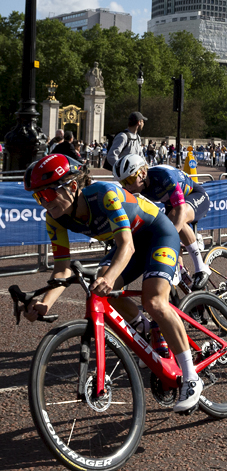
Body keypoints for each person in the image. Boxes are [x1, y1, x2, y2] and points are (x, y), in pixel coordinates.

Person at [23, 153, 203, 414]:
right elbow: (62, 269)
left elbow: (126, 246)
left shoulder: (105, 193)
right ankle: (143, 326)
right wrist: (44, 303)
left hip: (157, 233)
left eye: (47, 195)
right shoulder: (54, 218)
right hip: (128, 242)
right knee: (102, 288)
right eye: (38, 198)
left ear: (72, 186)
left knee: (153, 300)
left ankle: (190, 378)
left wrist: (109, 278)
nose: (43, 204)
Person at [113, 154, 212, 290]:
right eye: (123, 183)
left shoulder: (163, 176)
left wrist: (169, 236)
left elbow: (180, 210)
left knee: (176, 221)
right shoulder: (137, 188)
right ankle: (187, 285)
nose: (127, 187)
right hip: (172, 205)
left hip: (195, 196)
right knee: (169, 243)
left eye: (130, 180)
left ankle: (201, 268)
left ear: (142, 173)